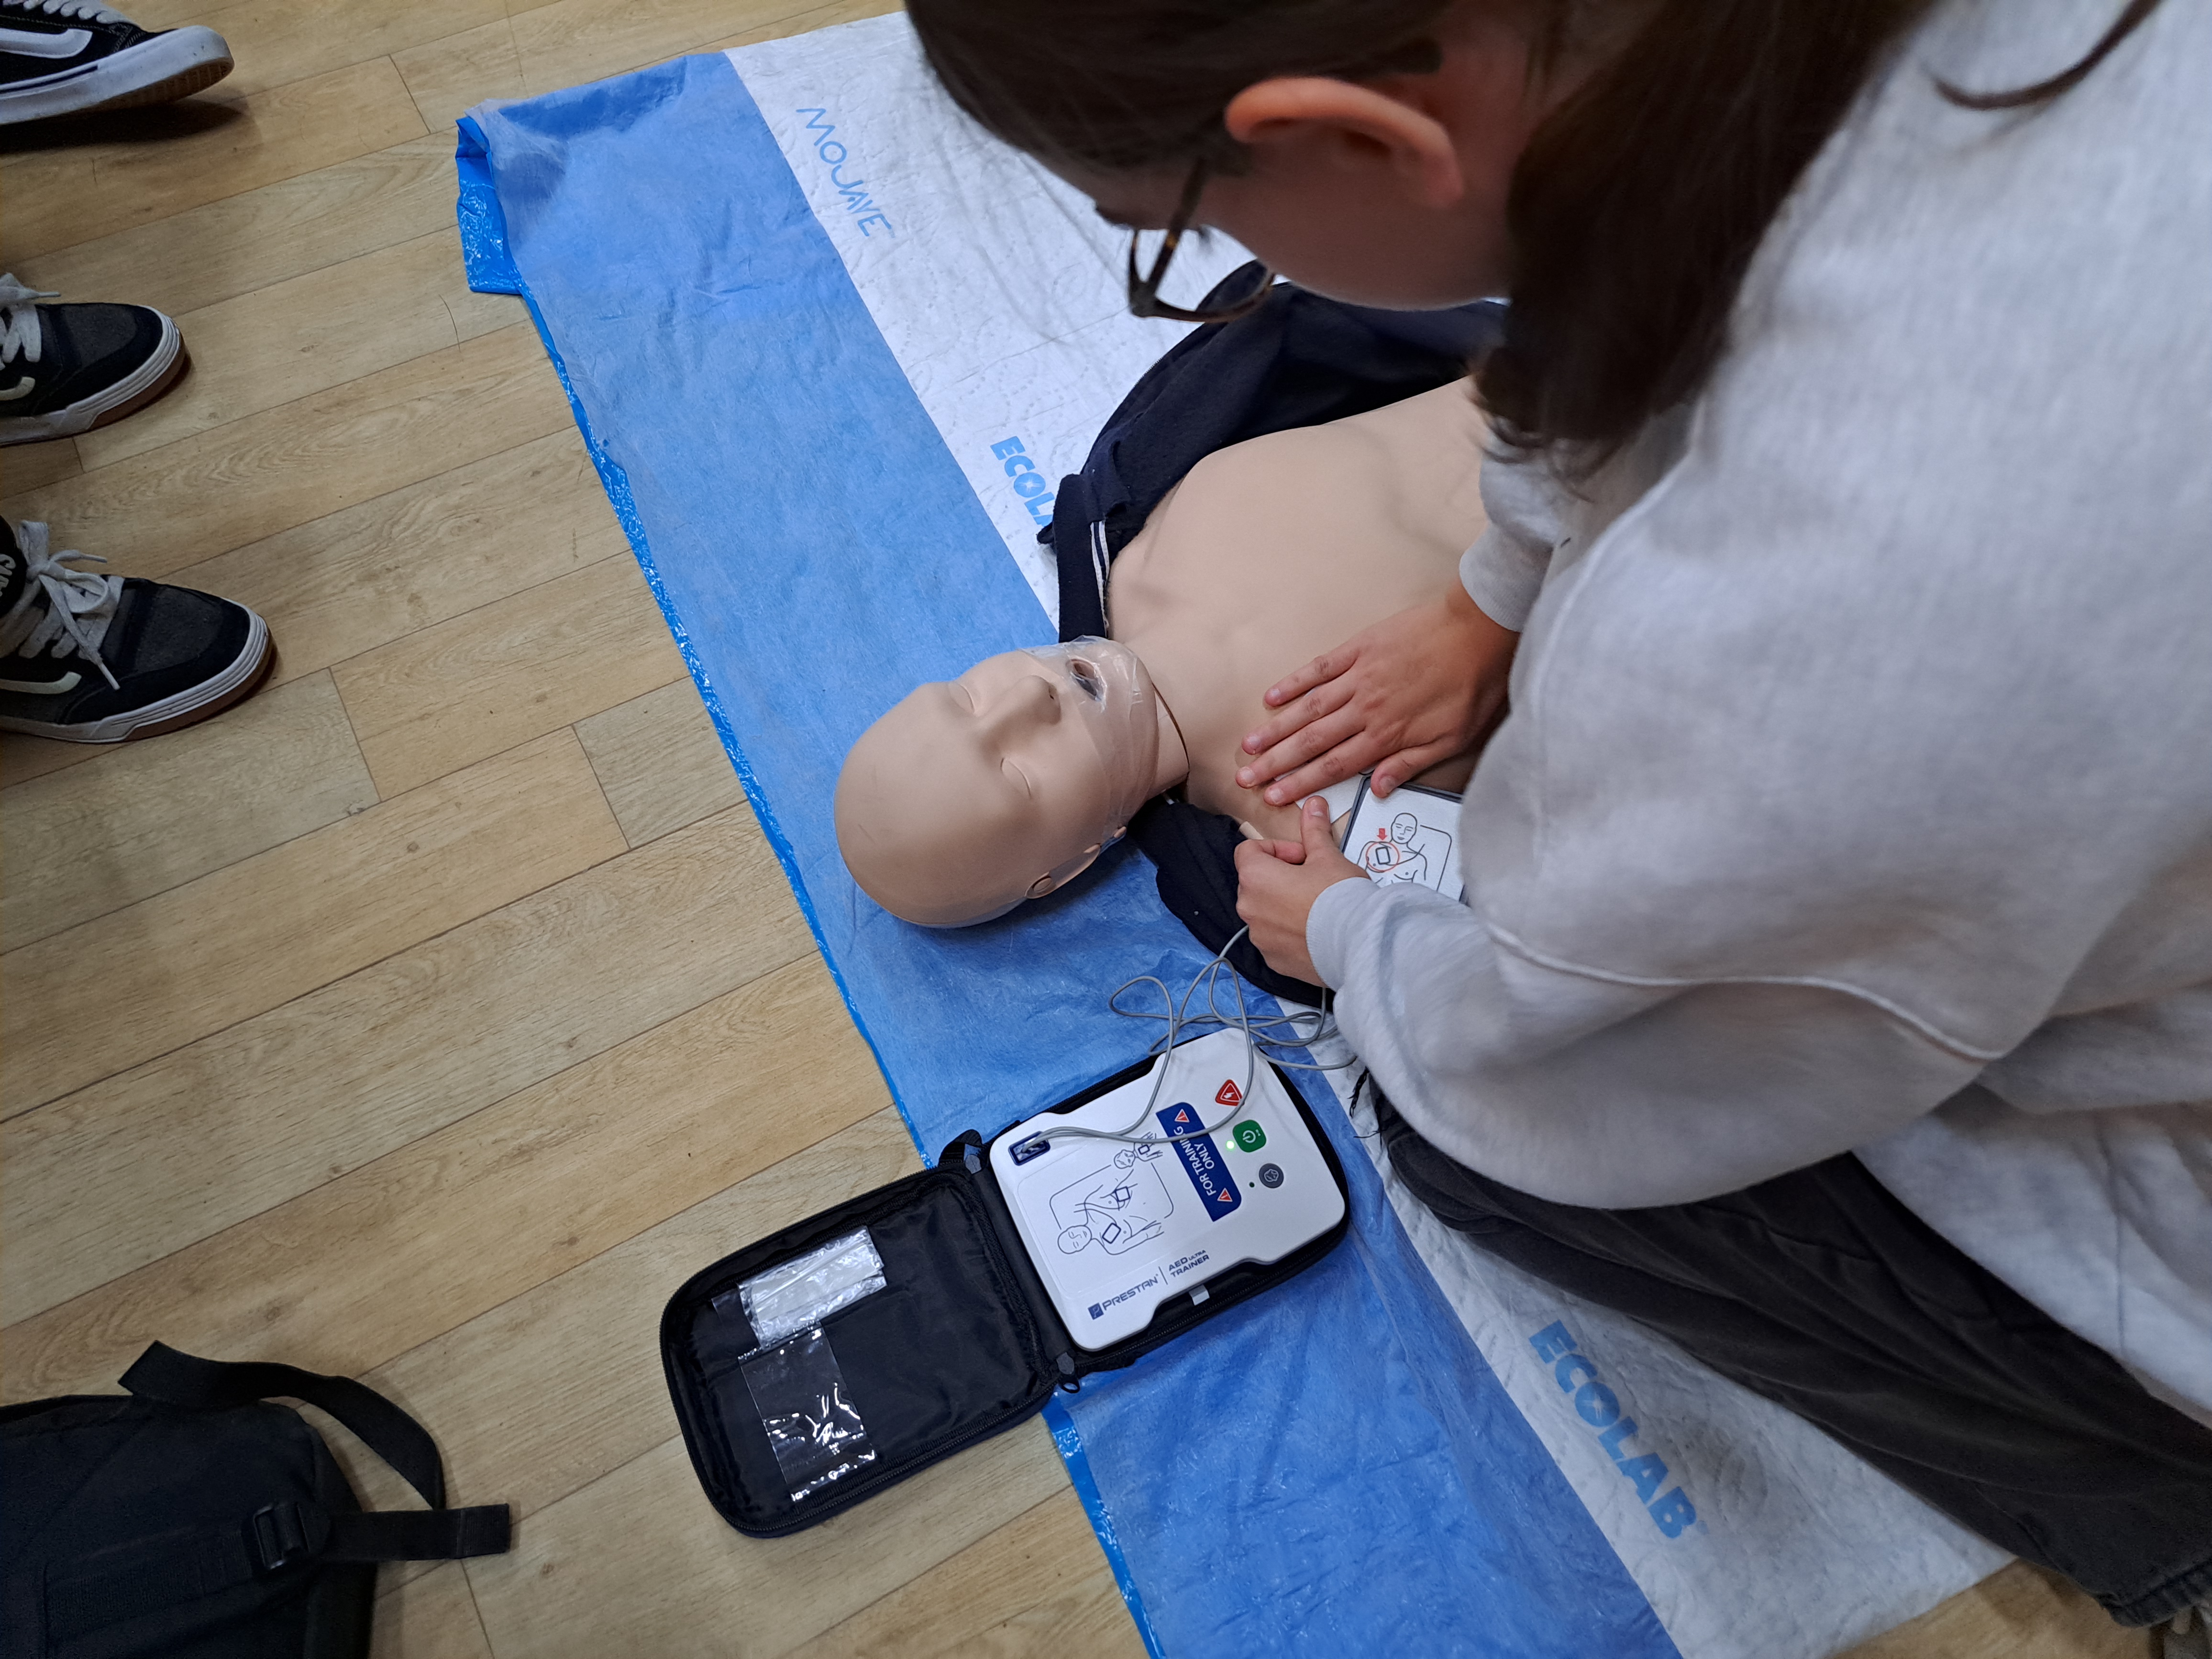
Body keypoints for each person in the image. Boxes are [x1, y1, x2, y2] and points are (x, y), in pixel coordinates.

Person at [905, 0, 2212, 1636]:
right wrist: (1493, 594)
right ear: (1071, 861)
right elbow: (1604, 330)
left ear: (1368, 137)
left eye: (1177, 230)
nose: (1014, 703)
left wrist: (1358, 932)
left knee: (1460, 1129)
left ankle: (2168, 1520)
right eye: (996, 758)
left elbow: (1546, 1039)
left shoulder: (1748, 657)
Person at [835, 381, 1488, 926]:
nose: (1030, 697)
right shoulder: (1321, 817)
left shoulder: (1133, 527)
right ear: (1074, 864)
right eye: (1019, 777)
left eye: (966, 697)